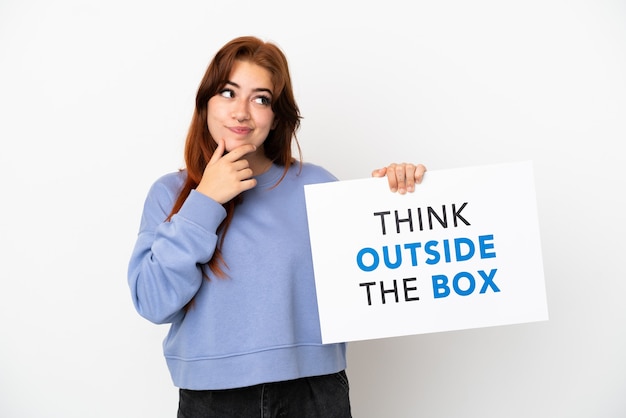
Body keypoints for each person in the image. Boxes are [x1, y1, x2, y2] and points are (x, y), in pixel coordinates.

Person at [128, 36, 426, 418]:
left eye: (260, 99)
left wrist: (402, 193)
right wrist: (204, 201)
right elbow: (153, 303)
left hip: (313, 392)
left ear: (276, 116)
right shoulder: (169, 193)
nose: (242, 112)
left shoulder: (317, 186)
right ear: (205, 104)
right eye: (228, 92)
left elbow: (378, 272)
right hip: (212, 399)